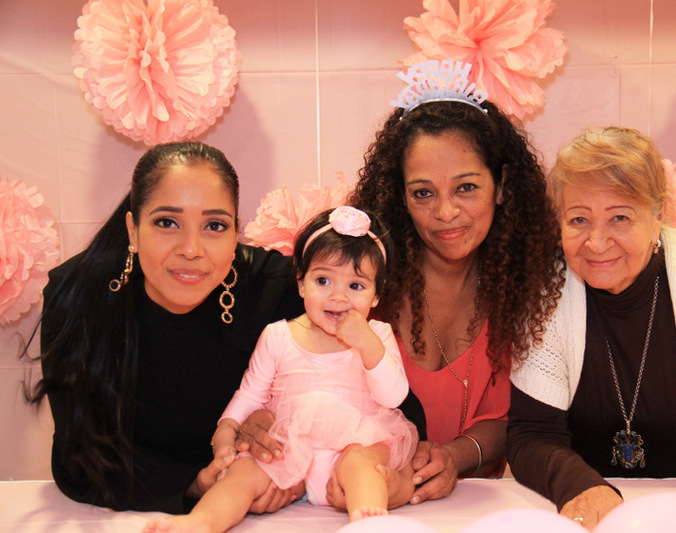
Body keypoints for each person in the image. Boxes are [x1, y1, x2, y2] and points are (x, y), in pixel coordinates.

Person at [506, 126, 676, 529]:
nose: (597, 242)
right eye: (579, 219)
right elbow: (530, 436)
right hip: (591, 511)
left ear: (658, 216)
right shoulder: (546, 287)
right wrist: (586, 492)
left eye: (620, 217)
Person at [27, 142, 306, 513]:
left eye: (214, 226)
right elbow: (79, 453)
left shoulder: (276, 289)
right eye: (167, 223)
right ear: (133, 229)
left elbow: (341, 394)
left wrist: (285, 445)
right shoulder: (79, 294)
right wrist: (196, 483)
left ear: (235, 232)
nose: (191, 248)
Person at [342, 61, 564, 505]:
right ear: (400, 197)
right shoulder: (361, 283)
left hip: (478, 511)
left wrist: (453, 457)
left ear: (501, 185)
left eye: (466, 188)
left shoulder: (529, 289)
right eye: (423, 193)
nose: (445, 212)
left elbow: (520, 421)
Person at [144, 206, 417, 532]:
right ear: (301, 283)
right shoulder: (278, 336)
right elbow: (251, 394)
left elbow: (394, 396)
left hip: (355, 443)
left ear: (376, 295)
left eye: (356, 286)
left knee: (363, 465)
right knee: (243, 472)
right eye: (323, 280)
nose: (338, 296)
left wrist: (368, 344)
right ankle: (200, 522)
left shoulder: (379, 334)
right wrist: (227, 427)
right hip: (290, 450)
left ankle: (369, 522)